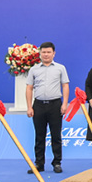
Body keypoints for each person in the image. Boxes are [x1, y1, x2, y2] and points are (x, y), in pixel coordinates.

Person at [25, 41, 69, 174]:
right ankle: (39, 164)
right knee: (39, 136)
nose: (46, 54)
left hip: (55, 105)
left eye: (48, 52)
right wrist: (29, 107)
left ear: (53, 53)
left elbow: (65, 85)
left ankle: (57, 163)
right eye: (43, 52)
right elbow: (29, 88)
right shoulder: (34, 69)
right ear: (40, 54)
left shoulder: (60, 68)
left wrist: (65, 104)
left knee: (56, 136)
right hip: (38, 105)